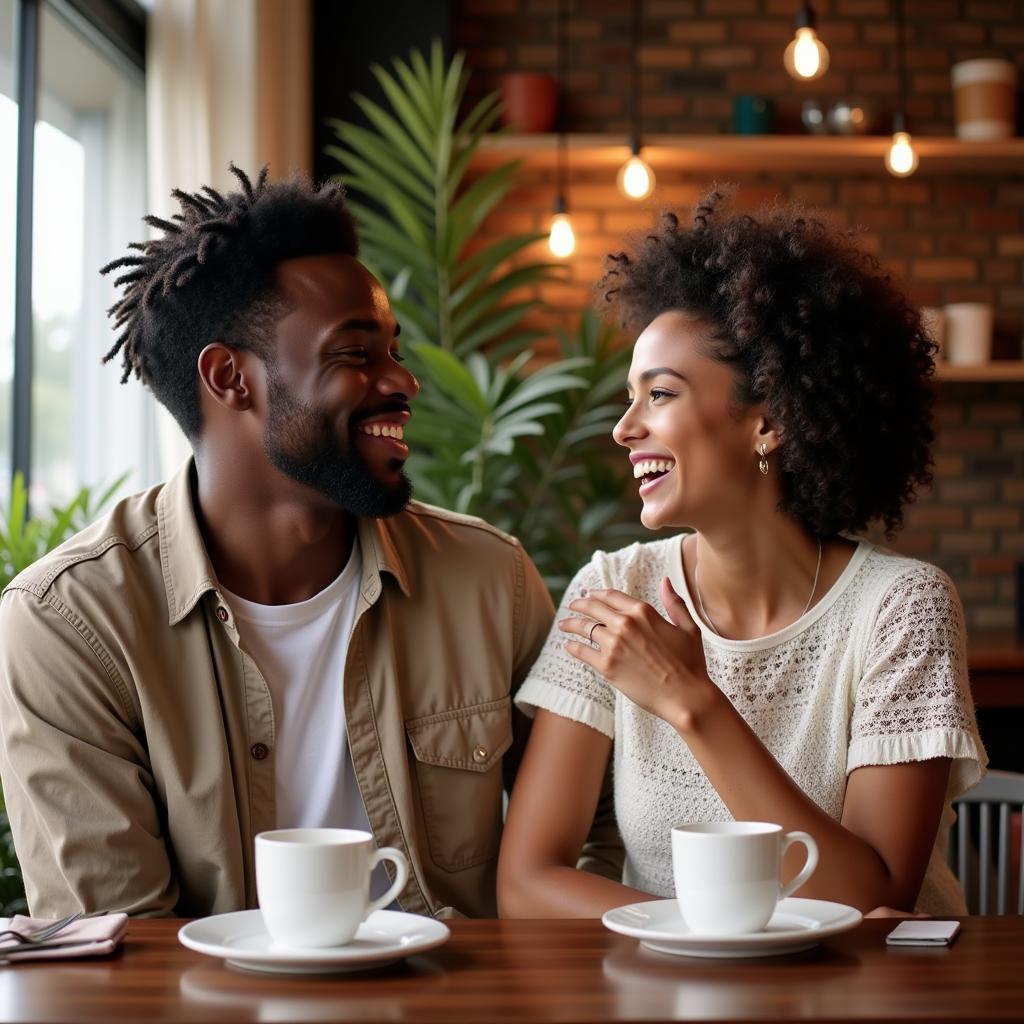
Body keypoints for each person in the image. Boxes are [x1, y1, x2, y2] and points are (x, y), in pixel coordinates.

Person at [0, 165, 615, 919]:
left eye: (393, 349)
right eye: (356, 355)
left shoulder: (489, 579)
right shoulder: (73, 623)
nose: (403, 383)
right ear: (231, 378)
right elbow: (117, 949)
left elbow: (603, 831)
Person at [497, 190, 987, 918]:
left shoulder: (900, 607)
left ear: (768, 421)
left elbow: (872, 896)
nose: (624, 430)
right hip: (667, 987)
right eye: (629, 399)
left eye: (659, 395)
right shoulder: (615, 590)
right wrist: (698, 942)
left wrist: (692, 701)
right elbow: (526, 883)